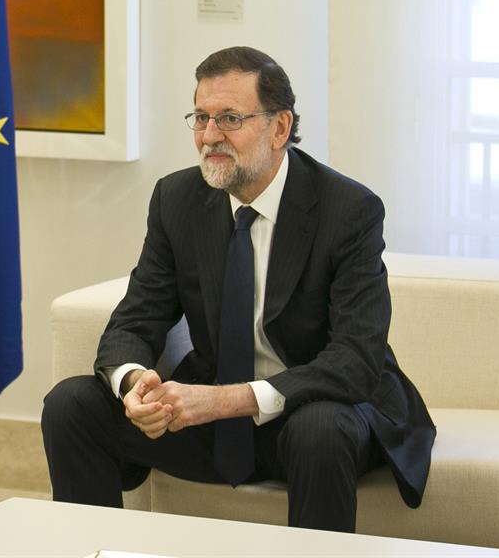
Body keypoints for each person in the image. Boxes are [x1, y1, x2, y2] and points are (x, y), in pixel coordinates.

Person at [41, 46, 435, 532]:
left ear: (279, 127)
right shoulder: (177, 199)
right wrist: (133, 382)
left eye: (229, 118)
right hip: (212, 422)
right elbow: (135, 318)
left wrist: (227, 400)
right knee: (71, 405)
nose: (209, 137)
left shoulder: (348, 211)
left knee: (320, 430)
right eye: (201, 118)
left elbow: (354, 361)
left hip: (310, 412)